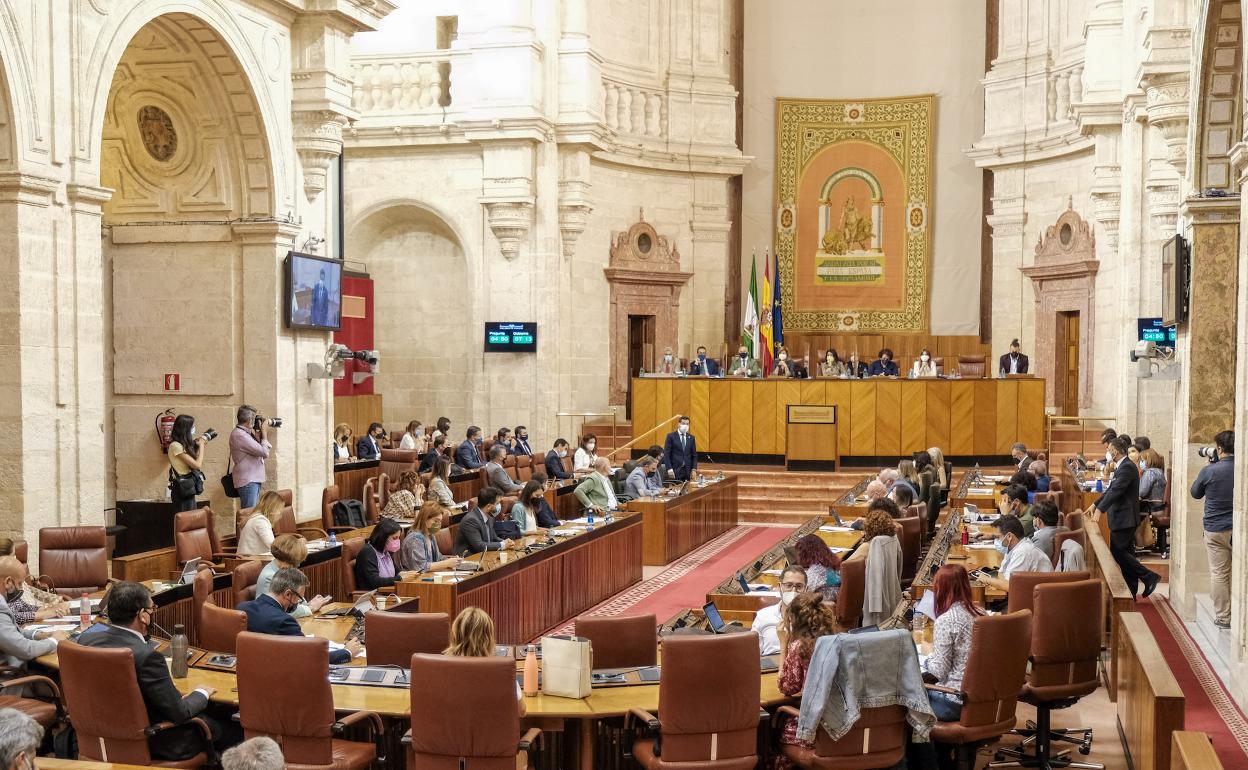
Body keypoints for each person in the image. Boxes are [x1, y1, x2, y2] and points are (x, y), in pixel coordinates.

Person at [76, 581, 218, 760]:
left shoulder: (86, 642)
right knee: (227, 728)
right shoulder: (147, 656)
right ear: (143, 616)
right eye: (152, 609)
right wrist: (201, 692)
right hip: (155, 741)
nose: (152, 613)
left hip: (100, 740)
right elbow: (180, 713)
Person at [774, 591, 842, 768]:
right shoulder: (838, 641)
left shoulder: (799, 647)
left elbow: (787, 686)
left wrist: (784, 646)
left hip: (812, 729)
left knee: (771, 732)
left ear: (794, 620)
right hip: (841, 723)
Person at [238, 567, 358, 664]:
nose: (298, 603)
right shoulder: (285, 622)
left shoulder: (242, 609)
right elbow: (310, 657)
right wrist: (346, 652)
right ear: (288, 594)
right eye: (299, 598)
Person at [1095, 435, 1160, 598]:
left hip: (1125, 518)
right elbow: (1111, 489)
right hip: (1122, 518)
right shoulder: (1122, 466)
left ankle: (1149, 576)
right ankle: (1131, 593)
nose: (1107, 452)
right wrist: (1095, 504)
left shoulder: (1127, 467)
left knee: (1117, 552)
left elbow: (1116, 492)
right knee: (1127, 555)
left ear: (1115, 451)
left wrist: (1100, 510)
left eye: (1109, 450)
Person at [921, 565, 984, 724]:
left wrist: (927, 659)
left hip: (955, 700)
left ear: (940, 589)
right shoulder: (981, 613)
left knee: (906, 699)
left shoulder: (946, 620)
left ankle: (931, 749)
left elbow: (939, 671)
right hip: (983, 699)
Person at [1191, 430, 1233, 628]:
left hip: (1216, 529)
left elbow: (1195, 493)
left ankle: (1224, 617)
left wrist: (1207, 467)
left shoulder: (1210, 470)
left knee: (1219, 573)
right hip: (1238, 528)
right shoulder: (1242, 468)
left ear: (1219, 448)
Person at [445, 607, 526, 708]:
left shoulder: (439, 668)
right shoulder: (502, 670)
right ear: (488, 638)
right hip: (492, 723)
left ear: (455, 634)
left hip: (452, 723)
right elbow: (521, 711)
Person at [0, 557, 67, 665]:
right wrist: (54, 641)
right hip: (10, 675)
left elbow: (12, 632)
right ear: (8, 582)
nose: (21, 589)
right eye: (20, 583)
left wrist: (38, 635)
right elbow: (25, 650)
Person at [254, 534, 328, 618]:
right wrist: (309, 608)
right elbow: (278, 611)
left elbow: (295, 599)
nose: (298, 565)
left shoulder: (282, 570)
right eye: (296, 562)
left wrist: (310, 604)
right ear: (286, 560)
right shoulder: (270, 576)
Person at [977, 515, 1052, 595]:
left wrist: (986, 579)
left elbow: (1010, 586)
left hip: (1038, 600)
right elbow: (1001, 574)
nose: (997, 541)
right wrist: (1001, 582)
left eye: (997, 537)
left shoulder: (1024, 552)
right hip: (1026, 595)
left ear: (1009, 536)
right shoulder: (1012, 548)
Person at [751, 566, 807, 655]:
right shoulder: (763, 616)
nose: (793, 590)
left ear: (806, 589)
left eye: (799, 586)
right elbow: (753, 654)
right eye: (788, 585)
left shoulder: (813, 617)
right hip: (769, 666)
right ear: (780, 587)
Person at [860, 509, 902, 627]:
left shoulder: (876, 543)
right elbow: (900, 563)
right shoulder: (893, 538)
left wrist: (874, 607)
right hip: (892, 590)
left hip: (878, 604)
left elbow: (875, 574)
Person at [354, 518, 417, 590]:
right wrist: (400, 578)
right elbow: (375, 581)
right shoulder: (367, 552)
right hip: (373, 596)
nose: (397, 541)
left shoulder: (386, 550)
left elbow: (396, 571)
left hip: (387, 592)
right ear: (383, 537)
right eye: (394, 538)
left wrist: (406, 574)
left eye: (398, 538)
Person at [229, 404, 272, 510]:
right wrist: (264, 432)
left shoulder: (245, 433)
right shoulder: (240, 435)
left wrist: (258, 435)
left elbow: (258, 452)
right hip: (248, 481)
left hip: (252, 479)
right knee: (248, 516)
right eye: (254, 418)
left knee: (251, 515)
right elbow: (264, 452)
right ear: (249, 420)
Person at [400, 501, 461, 573]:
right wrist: (446, 563)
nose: (438, 524)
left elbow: (438, 558)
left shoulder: (430, 535)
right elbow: (420, 568)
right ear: (425, 519)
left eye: (440, 521)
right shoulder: (414, 539)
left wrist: (452, 560)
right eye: (436, 521)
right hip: (415, 581)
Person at [454, 487, 517, 555]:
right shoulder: (471, 520)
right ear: (489, 506)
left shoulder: (489, 517)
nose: (500, 506)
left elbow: (494, 538)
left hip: (484, 555)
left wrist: (506, 542)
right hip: (468, 558)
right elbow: (479, 546)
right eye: (498, 503)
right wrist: (503, 545)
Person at [167, 414, 209, 512]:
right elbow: (197, 465)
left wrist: (197, 447)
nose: (194, 429)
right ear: (185, 429)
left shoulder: (182, 445)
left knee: (190, 520)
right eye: (192, 426)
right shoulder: (175, 446)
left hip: (187, 487)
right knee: (184, 522)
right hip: (182, 487)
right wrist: (202, 446)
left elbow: (192, 461)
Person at [795, 533, 841, 602]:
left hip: (820, 606)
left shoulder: (816, 571)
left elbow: (803, 593)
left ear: (804, 554)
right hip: (833, 600)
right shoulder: (829, 563)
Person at [236, 490, 282, 556]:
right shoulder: (260, 521)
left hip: (250, 559)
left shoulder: (256, 517)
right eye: (279, 510)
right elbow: (274, 547)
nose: (280, 514)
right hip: (249, 561)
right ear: (273, 509)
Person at [662, 415, 698, 481]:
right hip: (675, 470)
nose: (685, 425)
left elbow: (694, 455)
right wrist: (669, 469)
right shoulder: (671, 436)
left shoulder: (691, 438)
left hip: (687, 470)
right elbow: (667, 454)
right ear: (679, 424)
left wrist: (694, 469)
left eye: (687, 424)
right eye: (683, 423)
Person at [1139, 448, 1166, 520]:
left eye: (1142, 461)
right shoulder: (1159, 471)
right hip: (1160, 507)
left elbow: (1142, 492)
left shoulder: (1150, 472)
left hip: (1153, 508)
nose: (1140, 463)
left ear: (1149, 460)